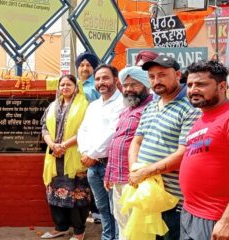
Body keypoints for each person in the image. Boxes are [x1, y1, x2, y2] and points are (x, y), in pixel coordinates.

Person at [128, 55, 201, 240]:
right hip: (146, 194)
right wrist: (134, 170)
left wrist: (144, 173)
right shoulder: (151, 106)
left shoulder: (190, 108)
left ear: (177, 75)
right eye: (152, 77)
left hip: (172, 201)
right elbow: (136, 141)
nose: (156, 80)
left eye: (162, 75)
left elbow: (183, 153)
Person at [179, 60, 229, 240]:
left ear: (222, 86)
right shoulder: (202, 118)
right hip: (189, 213)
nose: (193, 89)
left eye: (201, 84)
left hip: (215, 218)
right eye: (190, 84)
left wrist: (226, 222)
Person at [103, 66, 153, 240]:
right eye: (126, 85)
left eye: (135, 84)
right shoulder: (126, 110)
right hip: (117, 178)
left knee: (137, 229)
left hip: (135, 180)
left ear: (146, 85)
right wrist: (108, 174)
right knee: (122, 224)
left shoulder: (151, 108)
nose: (129, 89)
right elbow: (117, 142)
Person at [40, 74, 91, 240]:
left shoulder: (85, 105)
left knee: (77, 197)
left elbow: (86, 130)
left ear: (76, 87)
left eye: (69, 84)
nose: (65, 88)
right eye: (62, 85)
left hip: (74, 155)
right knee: (55, 193)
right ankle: (60, 227)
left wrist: (63, 145)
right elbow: (44, 128)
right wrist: (52, 145)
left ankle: (78, 232)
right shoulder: (53, 106)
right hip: (55, 157)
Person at [77, 64, 124, 240]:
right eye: (97, 79)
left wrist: (92, 155)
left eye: (105, 78)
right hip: (93, 167)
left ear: (115, 80)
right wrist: (85, 152)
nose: (101, 82)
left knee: (117, 210)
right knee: (102, 208)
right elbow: (83, 130)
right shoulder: (94, 106)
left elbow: (113, 132)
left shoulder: (123, 103)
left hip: (111, 166)